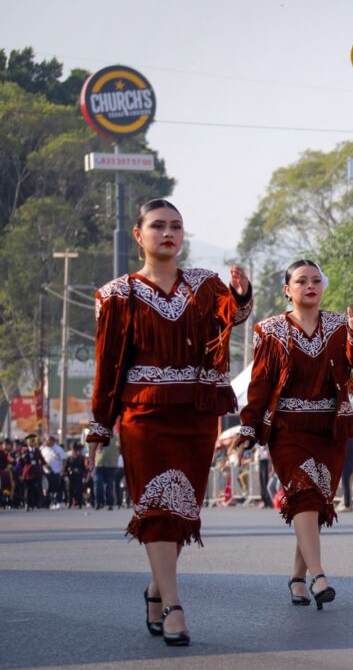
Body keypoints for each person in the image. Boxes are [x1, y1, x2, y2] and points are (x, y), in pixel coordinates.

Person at [87, 198, 252, 645]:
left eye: (176, 226)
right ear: (138, 235)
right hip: (144, 416)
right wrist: (99, 426)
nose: (168, 233)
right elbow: (108, 365)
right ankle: (175, 605)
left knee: (182, 511)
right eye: (158, 226)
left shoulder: (205, 284)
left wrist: (240, 293)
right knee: (158, 506)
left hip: (196, 414)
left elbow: (233, 317)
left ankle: (156, 589)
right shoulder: (116, 294)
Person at [236, 259, 353, 611]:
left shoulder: (340, 325)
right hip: (287, 430)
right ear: (287, 290)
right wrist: (249, 427)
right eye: (301, 281)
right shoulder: (270, 330)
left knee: (314, 503)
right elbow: (260, 383)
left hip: (330, 429)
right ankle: (318, 576)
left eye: (315, 280)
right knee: (304, 494)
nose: (310, 286)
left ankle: (298, 577)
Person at [39, 435, 67, 508]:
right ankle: (48, 502)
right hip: (46, 471)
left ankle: (58, 501)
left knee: (56, 487)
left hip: (56, 471)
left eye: (48, 441)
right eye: (46, 441)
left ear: (53, 441)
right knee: (47, 488)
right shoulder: (43, 449)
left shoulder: (58, 449)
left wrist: (62, 469)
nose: (46, 442)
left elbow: (64, 459)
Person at [63, 443, 88, 508]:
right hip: (71, 476)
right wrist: (66, 475)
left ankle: (80, 503)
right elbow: (66, 468)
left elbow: (84, 468)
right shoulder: (69, 458)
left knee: (79, 490)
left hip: (79, 476)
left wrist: (84, 476)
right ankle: (69, 502)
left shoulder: (81, 458)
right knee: (70, 490)